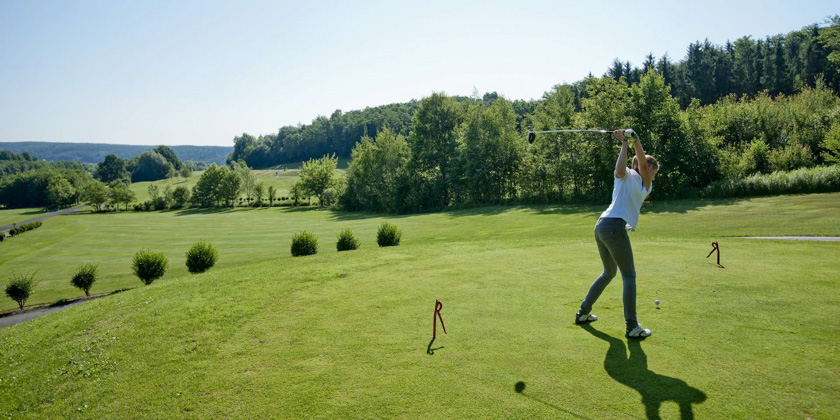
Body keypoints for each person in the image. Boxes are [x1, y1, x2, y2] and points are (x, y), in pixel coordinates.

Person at [575, 129, 660, 339]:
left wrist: (633, 142)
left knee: (609, 272)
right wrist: (626, 143)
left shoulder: (645, 184)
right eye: (654, 171)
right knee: (629, 276)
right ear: (649, 168)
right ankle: (632, 326)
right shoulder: (626, 176)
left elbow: (639, 162)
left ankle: (583, 313)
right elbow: (622, 168)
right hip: (612, 226)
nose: (654, 176)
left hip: (602, 226)